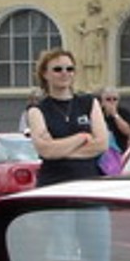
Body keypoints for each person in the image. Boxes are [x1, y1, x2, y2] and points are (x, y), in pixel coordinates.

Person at [26, 49, 108, 185]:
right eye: (58, 69)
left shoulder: (89, 102)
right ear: (45, 74)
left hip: (89, 184)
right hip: (53, 185)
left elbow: (101, 144)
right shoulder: (37, 110)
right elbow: (46, 150)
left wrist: (60, 151)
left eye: (70, 69)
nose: (65, 73)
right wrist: (82, 137)